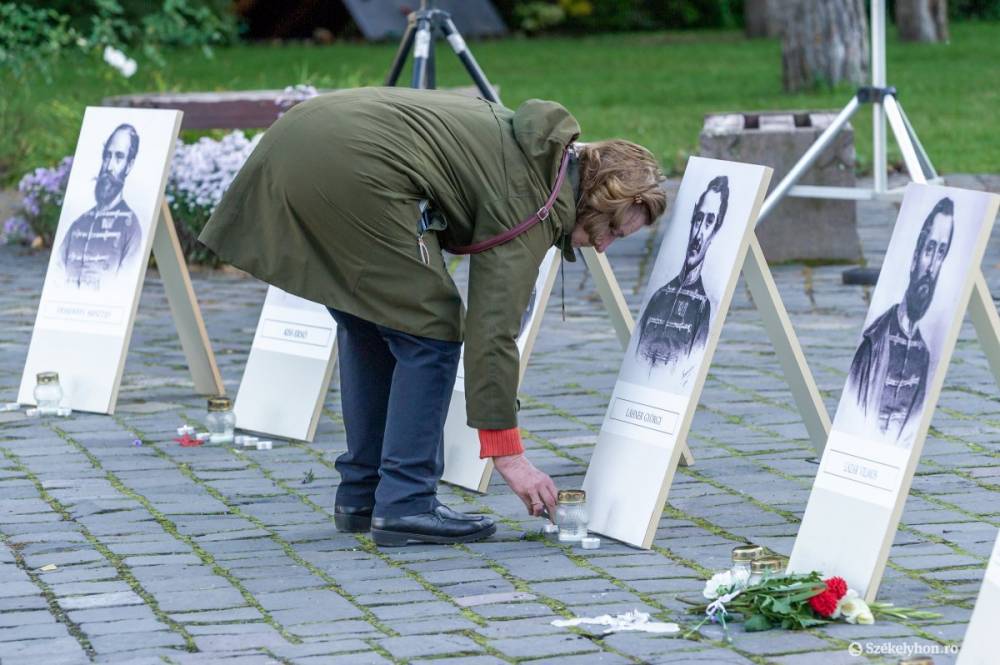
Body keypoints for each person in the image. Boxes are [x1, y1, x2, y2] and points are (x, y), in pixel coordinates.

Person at [200, 87, 666, 546]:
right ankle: (407, 502)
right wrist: (508, 454)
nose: (604, 247)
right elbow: (492, 332)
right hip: (351, 165)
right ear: (599, 199)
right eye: (612, 230)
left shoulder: (534, 154)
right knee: (433, 330)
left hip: (300, 138)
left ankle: (364, 493)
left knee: (371, 318)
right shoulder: (532, 198)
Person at [848, 197, 954, 444]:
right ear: (916, 256)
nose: (932, 267)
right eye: (930, 249)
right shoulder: (874, 341)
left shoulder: (923, 357)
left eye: (941, 253)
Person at [636, 175, 728, 369]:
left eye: (709, 222)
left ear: (716, 232)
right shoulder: (659, 296)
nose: (699, 233)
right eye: (698, 219)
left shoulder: (704, 308)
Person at [60, 124, 142, 289]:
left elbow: (123, 286)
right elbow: (57, 275)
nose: (109, 166)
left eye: (119, 157)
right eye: (107, 156)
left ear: (130, 165)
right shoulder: (78, 224)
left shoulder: (131, 227)